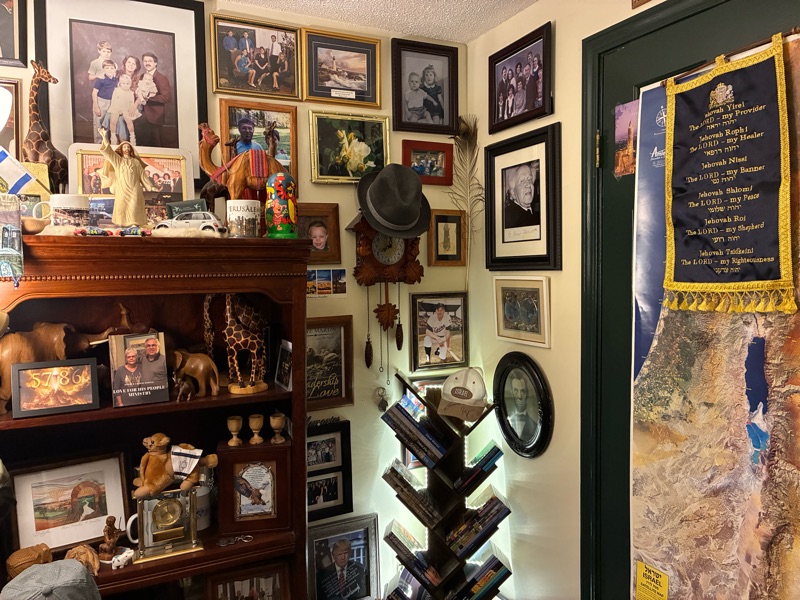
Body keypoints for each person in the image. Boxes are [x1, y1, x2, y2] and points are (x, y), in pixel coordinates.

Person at [98, 127, 153, 226]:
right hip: (122, 188)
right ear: (121, 149)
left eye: (128, 147)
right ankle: (122, 224)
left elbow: (142, 175)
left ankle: (134, 224)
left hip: (134, 188)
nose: (126, 149)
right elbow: (109, 151)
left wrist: (150, 186)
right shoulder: (118, 161)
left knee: (134, 205)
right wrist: (104, 136)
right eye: (124, 147)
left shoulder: (136, 162)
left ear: (131, 149)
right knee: (121, 206)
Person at [133, 52, 172, 147]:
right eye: (145, 61)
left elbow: (166, 97)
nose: (147, 63)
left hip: (154, 113)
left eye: (150, 61)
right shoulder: (142, 76)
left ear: (155, 63)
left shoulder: (161, 78)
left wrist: (148, 97)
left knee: (137, 122)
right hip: (141, 109)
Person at [106, 74, 141, 145]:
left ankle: (132, 137)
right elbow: (114, 101)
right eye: (123, 83)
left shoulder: (130, 93)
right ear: (120, 84)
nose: (125, 85)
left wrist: (129, 110)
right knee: (113, 121)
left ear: (130, 84)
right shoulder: (117, 90)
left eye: (127, 84)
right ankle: (113, 137)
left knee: (129, 121)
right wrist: (117, 110)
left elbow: (131, 103)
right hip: (116, 107)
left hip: (126, 108)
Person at [504, 162, 540, 229]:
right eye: (522, 181)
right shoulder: (506, 217)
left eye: (530, 179)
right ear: (513, 193)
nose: (528, 185)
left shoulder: (539, 216)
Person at [92, 60, 118, 143]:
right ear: (103, 69)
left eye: (112, 68)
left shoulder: (115, 80)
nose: (110, 70)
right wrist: (96, 106)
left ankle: (106, 143)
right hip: (101, 102)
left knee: (107, 123)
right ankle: (98, 143)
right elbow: (94, 93)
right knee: (99, 123)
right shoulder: (100, 79)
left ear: (115, 69)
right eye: (107, 68)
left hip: (111, 103)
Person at [507, 373, 537, 438]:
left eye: (522, 391)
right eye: (516, 391)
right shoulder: (506, 421)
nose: (519, 396)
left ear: (527, 393)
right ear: (512, 393)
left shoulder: (535, 427)